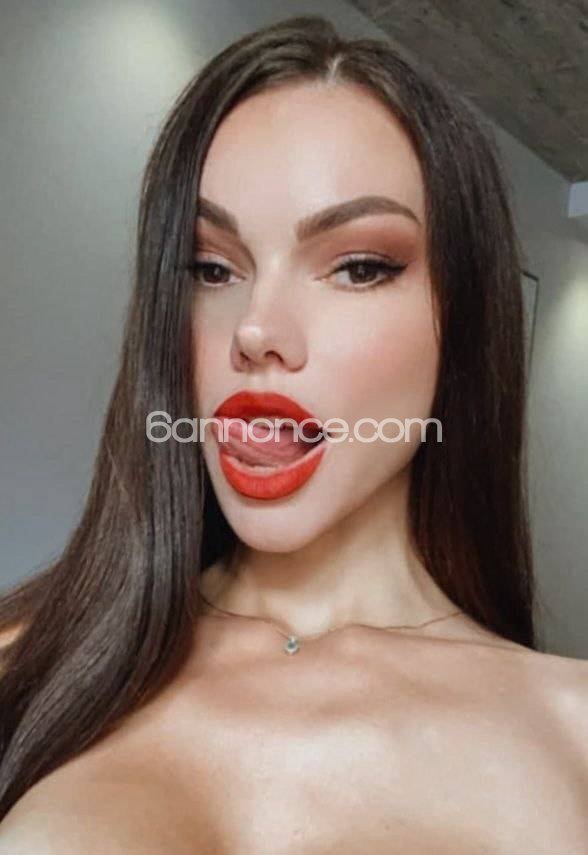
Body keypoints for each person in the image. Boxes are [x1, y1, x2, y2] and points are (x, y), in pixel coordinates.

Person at [0, 14, 586, 854]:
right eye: (213, 268)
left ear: (463, 318)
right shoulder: (28, 658)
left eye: (359, 266)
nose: (257, 329)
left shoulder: (570, 734)